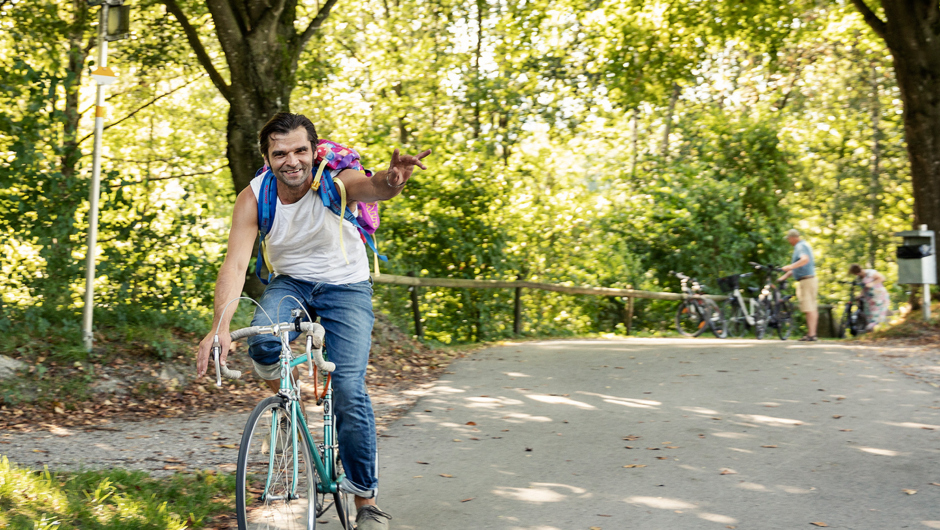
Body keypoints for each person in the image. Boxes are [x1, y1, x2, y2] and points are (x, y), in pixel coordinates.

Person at [195, 112, 430, 530]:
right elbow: (234, 265)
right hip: (292, 283)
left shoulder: (334, 180)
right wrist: (219, 327)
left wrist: (392, 180)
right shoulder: (254, 196)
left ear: (314, 151)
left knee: (349, 390)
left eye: (300, 150)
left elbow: (371, 186)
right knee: (263, 344)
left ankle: (366, 503)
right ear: (267, 157)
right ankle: (288, 406)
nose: (292, 161)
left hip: (347, 287)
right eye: (280, 153)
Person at [778, 228, 818, 341]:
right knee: (810, 307)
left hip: (806, 280)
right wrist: (784, 277)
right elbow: (799, 266)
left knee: (809, 307)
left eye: (789, 239)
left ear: (793, 238)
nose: (789, 241)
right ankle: (812, 334)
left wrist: (790, 266)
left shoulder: (800, 246)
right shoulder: (803, 245)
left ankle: (812, 335)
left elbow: (805, 260)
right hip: (808, 280)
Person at [849, 263, 890, 331]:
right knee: (868, 315)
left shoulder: (870, 273)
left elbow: (882, 278)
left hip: (879, 297)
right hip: (869, 300)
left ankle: (877, 331)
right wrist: (860, 295)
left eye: (857, 273)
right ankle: (871, 332)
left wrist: (872, 283)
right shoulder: (859, 277)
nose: (857, 274)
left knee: (876, 316)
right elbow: (864, 288)